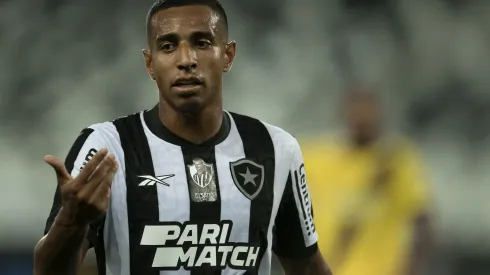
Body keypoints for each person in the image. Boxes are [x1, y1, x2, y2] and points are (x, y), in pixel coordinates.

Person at [33, 1, 332, 275]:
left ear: (227, 55)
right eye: (168, 46)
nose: (186, 59)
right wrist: (72, 222)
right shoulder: (106, 147)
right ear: (150, 64)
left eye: (202, 43)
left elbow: (307, 267)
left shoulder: (276, 150)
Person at [302, 89, 434, 275]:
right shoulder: (319, 157)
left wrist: (411, 269)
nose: (362, 119)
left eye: (367, 113)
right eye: (357, 112)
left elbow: (423, 222)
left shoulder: (394, 162)